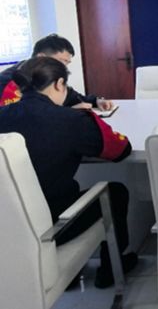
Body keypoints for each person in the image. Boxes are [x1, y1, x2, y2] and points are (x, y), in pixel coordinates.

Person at [0, 57, 137, 288]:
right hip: (52, 225)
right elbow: (121, 150)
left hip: (8, 227)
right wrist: (87, 117)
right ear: (59, 84)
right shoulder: (71, 120)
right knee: (116, 192)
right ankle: (111, 271)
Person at [0, 33, 114, 110]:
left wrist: (97, 101)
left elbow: (72, 97)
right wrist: (67, 113)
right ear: (41, 57)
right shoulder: (9, 82)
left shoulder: (48, 75)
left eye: (67, 63)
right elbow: (24, 118)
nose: (64, 68)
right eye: (61, 61)